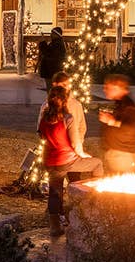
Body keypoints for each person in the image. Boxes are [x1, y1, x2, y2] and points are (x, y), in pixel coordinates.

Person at [38, 85, 103, 236]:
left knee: (55, 193)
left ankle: (54, 226)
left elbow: (42, 136)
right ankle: (95, 202)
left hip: (50, 161)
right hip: (67, 160)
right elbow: (75, 144)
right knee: (98, 164)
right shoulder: (68, 118)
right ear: (65, 100)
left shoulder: (44, 118)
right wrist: (84, 155)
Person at [37, 71, 87, 156]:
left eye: (67, 85)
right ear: (54, 85)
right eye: (63, 85)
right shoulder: (46, 106)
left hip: (73, 150)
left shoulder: (76, 105)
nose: (66, 88)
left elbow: (82, 126)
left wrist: (78, 143)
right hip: (55, 151)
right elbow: (40, 129)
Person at [98, 74, 135, 173]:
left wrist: (110, 121)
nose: (104, 90)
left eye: (107, 87)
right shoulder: (120, 103)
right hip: (117, 153)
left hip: (123, 156)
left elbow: (129, 128)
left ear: (117, 88)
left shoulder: (128, 106)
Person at [37, 27, 67, 91]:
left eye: (52, 33)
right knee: (50, 88)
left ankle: (52, 100)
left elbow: (48, 53)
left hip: (52, 71)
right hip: (50, 71)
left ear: (56, 34)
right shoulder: (55, 43)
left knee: (51, 89)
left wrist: (43, 43)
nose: (51, 35)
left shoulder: (57, 44)